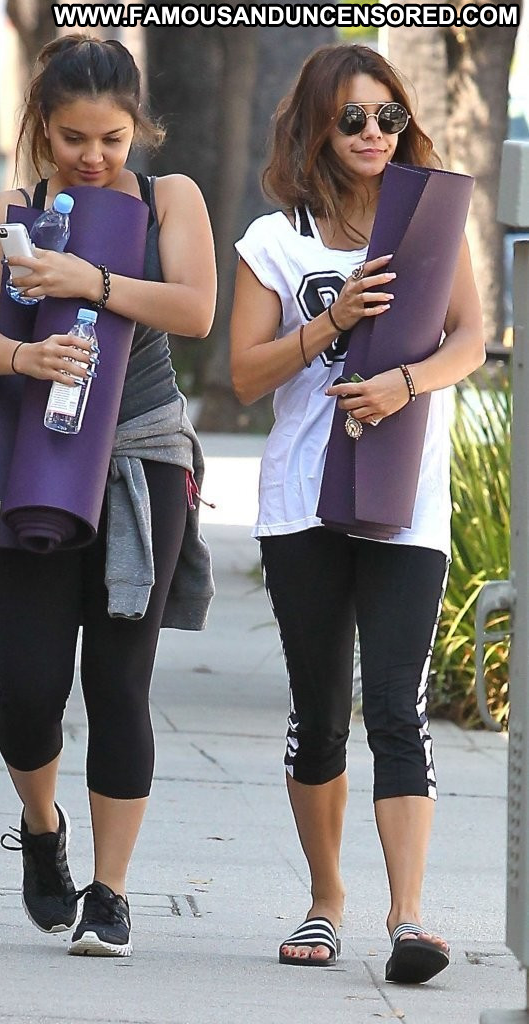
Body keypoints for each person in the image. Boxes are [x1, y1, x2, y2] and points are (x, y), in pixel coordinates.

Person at [0, 35, 216, 957]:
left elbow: (196, 310)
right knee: (29, 694)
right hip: (37, 458)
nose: (93, 156)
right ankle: (42, 827)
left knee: (119, 682)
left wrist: (91, 282)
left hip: (144, 458)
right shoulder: (13, 213)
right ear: (42, 127)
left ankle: (111, 892)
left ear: (137, 127)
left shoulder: (169, 199)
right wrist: (26, 354)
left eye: (111, 138)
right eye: (73, 139)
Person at [230, 44, 484, 983]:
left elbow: (471, 339)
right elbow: (245, 375)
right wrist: (331, 323)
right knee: (319, 712)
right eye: (352, 119)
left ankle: (409, 915)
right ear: (317, 129)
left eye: (388, 115)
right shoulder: (275, 240)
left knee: (398, 707)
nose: (374, 132)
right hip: (302, 499)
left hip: (406, 497)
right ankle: (326, 900)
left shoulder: (431, 222)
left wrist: (403, 384)